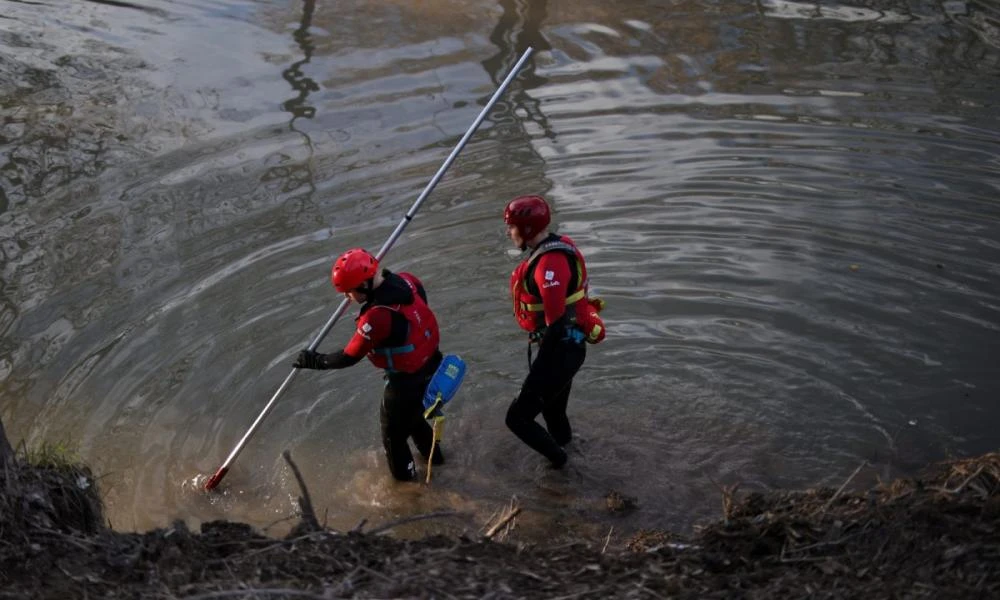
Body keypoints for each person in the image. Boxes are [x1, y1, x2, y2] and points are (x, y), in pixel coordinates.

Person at [293, 248, 445, 482]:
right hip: (431, 367)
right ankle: (439, 462)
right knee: (414, 419)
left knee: (394, 437)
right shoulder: (409, 281)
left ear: (363, 284)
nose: (347, 298)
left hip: (405, 383)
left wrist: (314, 360)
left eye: (348, 292)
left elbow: (349, 356)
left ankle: (407, 490)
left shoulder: (378, 316)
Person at [503, 195, 605, 469]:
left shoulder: (550, 264)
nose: (509, 232)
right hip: (567, 348)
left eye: (512, 226)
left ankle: (561, 465)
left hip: (562, 350)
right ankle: (570, 454)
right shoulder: (553, 251)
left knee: (517, 418)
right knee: (553, 411)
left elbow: (556, 322)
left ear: (526, 229)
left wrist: (538, 371)